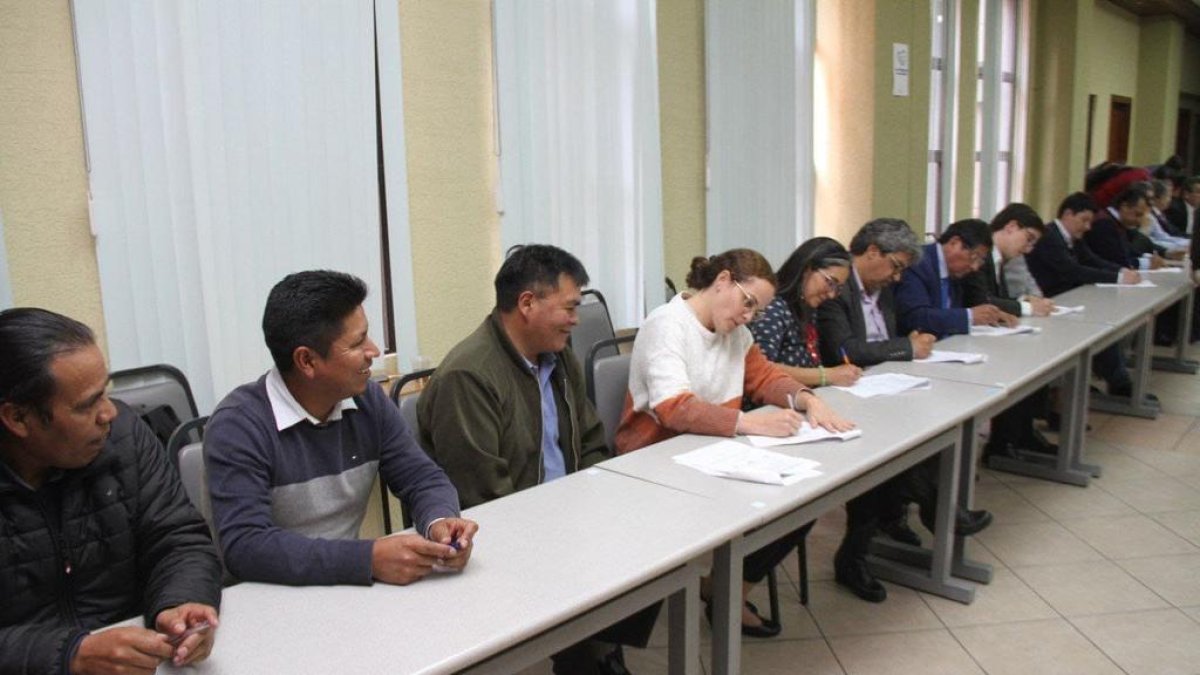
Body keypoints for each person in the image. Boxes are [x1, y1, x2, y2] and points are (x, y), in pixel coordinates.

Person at [418, 244, 641, 675]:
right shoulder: (470, 375)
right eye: (570, 308)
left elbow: (591, 440)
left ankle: (596, 647)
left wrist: (602, 507)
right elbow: (484, 496)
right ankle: (588, 653)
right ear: (527, 304)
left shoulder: (558, 357)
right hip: (513, 534)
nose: (577, 321)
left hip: (563, 519)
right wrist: (568, 534)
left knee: (649, 549)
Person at [615, 248, 854, 635]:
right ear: (722, 281)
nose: (748, 316)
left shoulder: (736, 333)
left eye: (756, 311)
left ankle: (726, 592)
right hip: (654, 460)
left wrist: (809, 400)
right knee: (764, 508)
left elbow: (764, 378)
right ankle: (713, 596)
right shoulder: (667, 325)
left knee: (800, 504)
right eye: (748, 303)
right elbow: (674, 408)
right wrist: (750, 424)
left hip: (710, 454)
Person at [205, 271, 477, 589]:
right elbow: (247, 547)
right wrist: (366, 559)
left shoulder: (366, 400)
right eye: (358, 342)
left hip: (343, 589)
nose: (374, 351)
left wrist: (440, 521)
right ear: (306, 361)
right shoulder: (238, 426)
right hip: (265, 598)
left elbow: (421, 477)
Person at [0, 308, 222, 675]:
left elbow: (177, 538)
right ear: (18, 418)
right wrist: (70, 655)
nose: (110, 413)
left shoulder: (124, 438)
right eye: (87, 405)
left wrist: (182, 603)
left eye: (106, 392)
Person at [815, 220, 992, 601]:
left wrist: (907, 346)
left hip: (887, 388)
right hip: (846, 395)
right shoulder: (837, 286)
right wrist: (905, 348)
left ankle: (910, 516)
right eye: (895, 266)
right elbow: (845, 350)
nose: (898, 278)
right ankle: (917, 521)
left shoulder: (883, 289)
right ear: (873, 252)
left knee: (931, 431)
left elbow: (894, 337)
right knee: (889, 456)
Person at [1025, 193, 1143, 398]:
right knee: (1097, 323)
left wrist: (1123, 271)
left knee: (1104, 322)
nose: (1088, 227)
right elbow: (1073, 270)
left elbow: (1091, 259)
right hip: (1052, 301)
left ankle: (1116, 380)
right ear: (1068, 214)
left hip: (1069, 299)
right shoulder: (1049, 236)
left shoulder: (1072, 238)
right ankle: (1115, 381)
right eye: (1084, 220)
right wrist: (1118, 277)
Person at [969, 205, 1057, 459]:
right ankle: (1008, 439)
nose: (1028, 249)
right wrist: (1026, 306)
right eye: (1028, 239)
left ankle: (1017, 435)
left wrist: (1021, 302)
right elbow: (982, 298)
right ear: (1011, 227)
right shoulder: (983, 254)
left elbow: (996, 298)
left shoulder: (1001, 260)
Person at [750, 237, 862, 388]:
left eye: (838, 289)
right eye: (830, 282)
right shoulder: (773, 307)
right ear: (806, 269)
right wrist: (827, 375)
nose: (831, 294)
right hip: (773, 406)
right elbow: (761, 367)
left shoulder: (808, 306)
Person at [894, 218, 1016, 338]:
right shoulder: (918, 263)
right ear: (954, 243)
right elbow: (915, 317)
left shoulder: (957, 273)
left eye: (980, 261)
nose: (975, 267)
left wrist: (990, 315)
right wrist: (969, 316)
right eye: (974, 257)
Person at [1083, 186, 1167, 271]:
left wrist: (1150, 257)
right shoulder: (1103, 224)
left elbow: (1130, 250)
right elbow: (1115, 260)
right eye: (1137, 214)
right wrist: (1148, 263)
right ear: (1124, 206)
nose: (1139, 221)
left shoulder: (1118, 222)